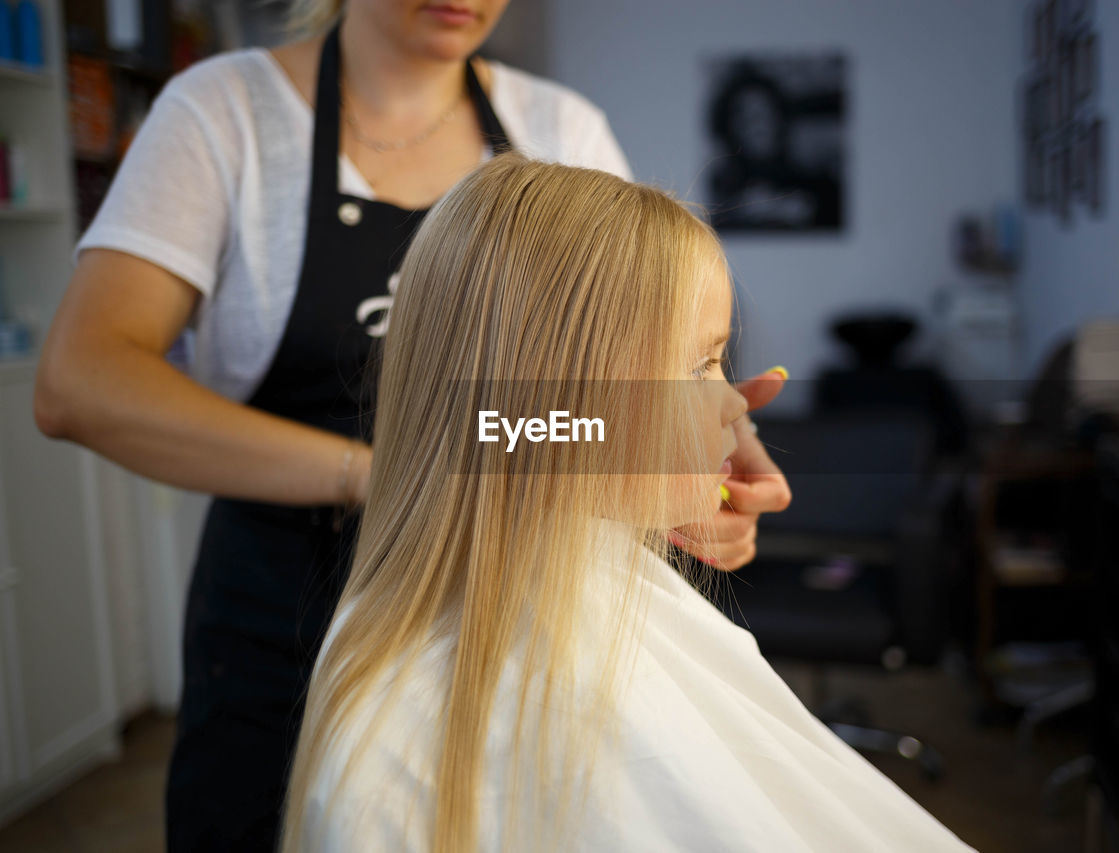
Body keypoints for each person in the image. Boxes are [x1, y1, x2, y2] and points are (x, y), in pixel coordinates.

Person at [32, 1, 790, 849]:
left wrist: (714, 436)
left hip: (517, 599)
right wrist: (391, 470)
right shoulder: (224, 115)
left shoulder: (557, 127)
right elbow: (79, 383)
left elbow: (643, 353)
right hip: (284, 600)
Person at [282, 154, 974, 852]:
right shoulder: (409, 744)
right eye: (699, 364)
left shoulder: (583, 587)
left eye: (719, 363)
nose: (735, 405)